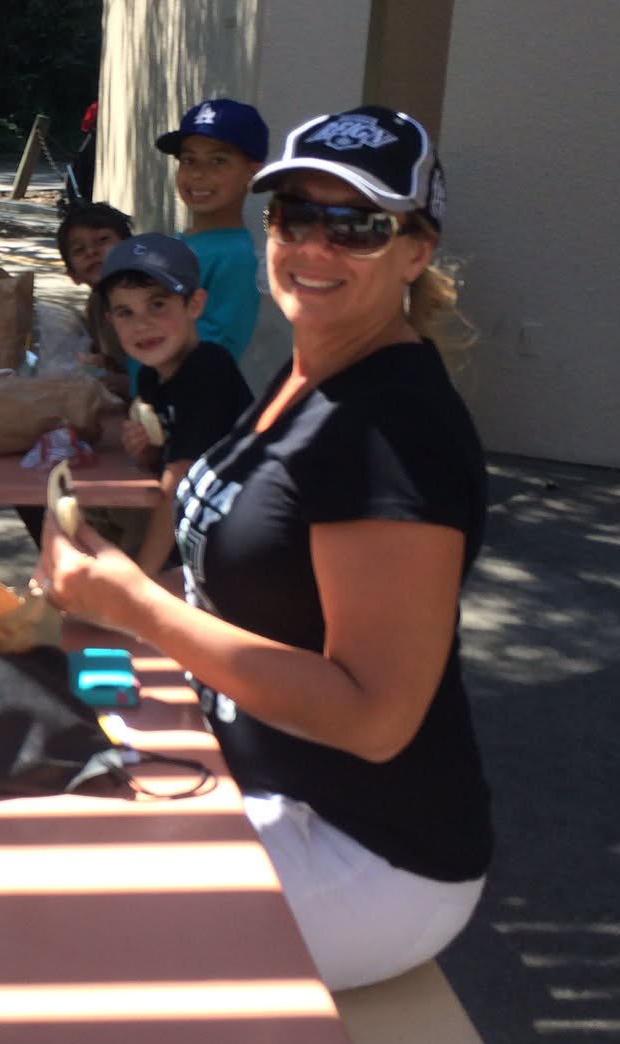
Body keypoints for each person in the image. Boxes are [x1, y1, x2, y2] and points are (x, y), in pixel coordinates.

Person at [40, 107, 490, 992]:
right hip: (261, 782)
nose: (315, 246)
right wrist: (115, 596)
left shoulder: (393, 429)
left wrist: (136, 605)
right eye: (294, 216)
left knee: (52, 934)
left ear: (415, 252)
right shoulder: (309, 373)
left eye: (358, 225)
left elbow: (373, 717)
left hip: (369, 854)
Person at [96, 234, 251, 576]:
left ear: (194, 304)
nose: (142, 324)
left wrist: (142, 581)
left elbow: (180, 480)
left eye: (157, 304)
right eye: (125, 312)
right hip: (196, 526)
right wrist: (147, 452)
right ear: (111, 321)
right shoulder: (150, 378)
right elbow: (169, 456)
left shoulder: (208, 369)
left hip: (234, 536)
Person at [155, 96, 269, 364]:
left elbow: (213, 355)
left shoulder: (236, 257)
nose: (197, 174)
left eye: (217, 161)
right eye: (188, 160)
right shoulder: (182, 242)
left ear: (253, 173)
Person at [54, 200, 132, 391]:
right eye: (79, 250)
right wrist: (97, 363)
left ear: (130, 248)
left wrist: (128, 383)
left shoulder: (148, 296)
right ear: (73, 275)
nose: (92, 252)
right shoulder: (96, 305)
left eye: (103, 240)